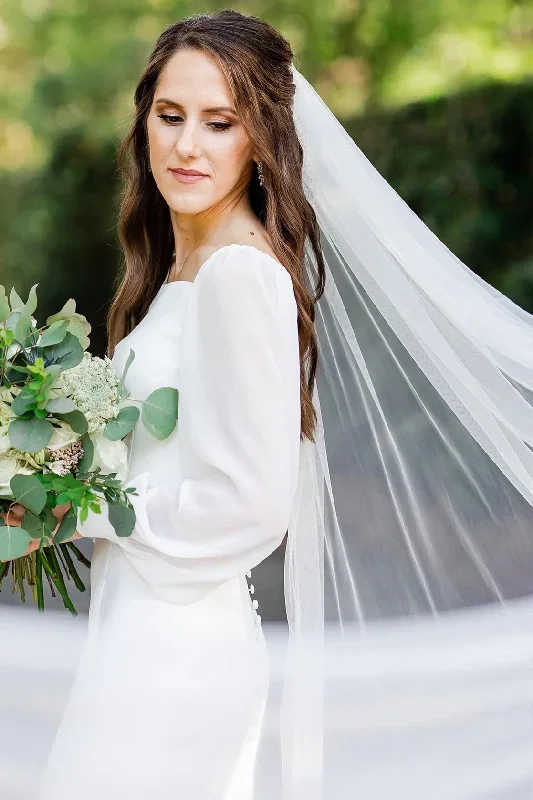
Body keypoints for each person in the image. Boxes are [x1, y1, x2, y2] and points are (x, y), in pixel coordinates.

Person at [5, 9, 533, 799]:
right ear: (143, 118)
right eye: (170, 115)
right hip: (139, 625)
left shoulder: (238, 276)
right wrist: (44, 457)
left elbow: (250, 505)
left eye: (220, 123)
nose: (187, 146)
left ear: (260, 138)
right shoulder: (180, 272)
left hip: (178, 649)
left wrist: (70, 507)